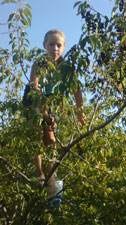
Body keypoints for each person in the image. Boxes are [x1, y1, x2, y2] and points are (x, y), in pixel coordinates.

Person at [28, 29, 86, 196]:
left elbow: (76, 89)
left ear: (64, 47)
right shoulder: (39, 63)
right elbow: (35, 86)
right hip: (35, 100)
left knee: (50, 139)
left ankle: (51, 176)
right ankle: (40, 174)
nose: (55, 48)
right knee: (36, 133)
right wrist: (42, 112)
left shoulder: (66, 67)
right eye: (51, 44)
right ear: (44, 45)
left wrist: (80, 112)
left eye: (59, 45)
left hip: (51, 102)